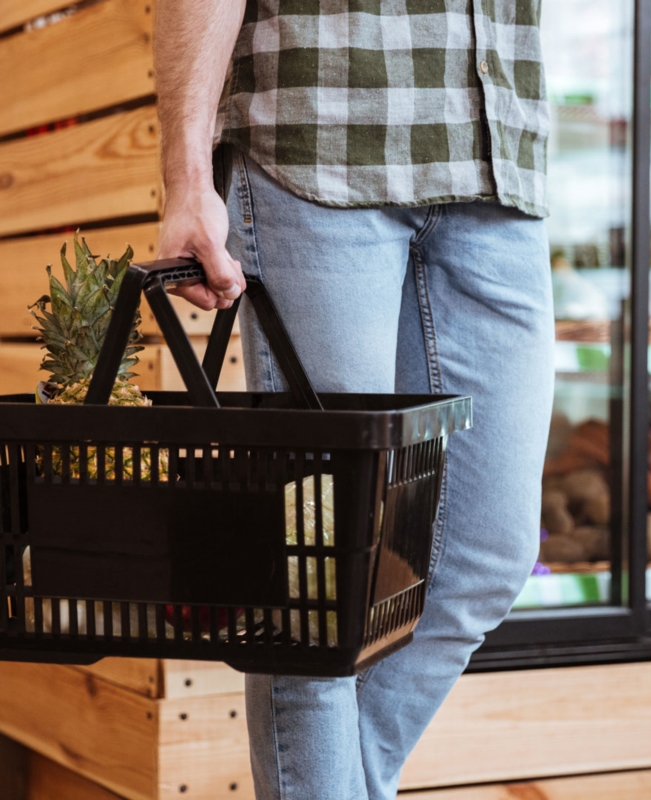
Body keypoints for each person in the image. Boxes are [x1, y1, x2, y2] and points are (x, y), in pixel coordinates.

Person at [153, 3, 554, 798]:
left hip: (497, 156)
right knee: (319, 574)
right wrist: (186, 176)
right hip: (318, 132)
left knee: (484, 555)